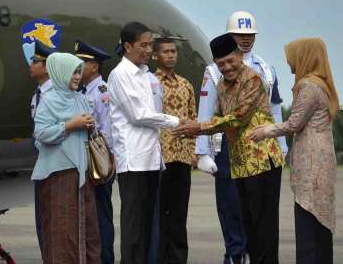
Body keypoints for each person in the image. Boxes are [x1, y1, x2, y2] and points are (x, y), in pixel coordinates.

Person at [175, 33, 285, 264]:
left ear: (239, 55)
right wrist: (190, 125)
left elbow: (237, 118)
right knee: (248, 226)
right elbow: (216, 116)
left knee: (264, 227)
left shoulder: (253, 80)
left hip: (262, 162)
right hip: (240, 165)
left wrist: (199, 128)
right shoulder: (222, 86)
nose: (226, 67)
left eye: (230, 61)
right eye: (220, 64)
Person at [249, 38, 338, 264]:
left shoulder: (309, 85)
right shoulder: (322, 83)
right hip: (321, 157)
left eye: (292, 56)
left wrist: (265, 131)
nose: (289, 62)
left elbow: (294, 124)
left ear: (304, 56)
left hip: (311, 161)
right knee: (320, 224)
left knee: (308, 220)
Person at [107, 22, 181, 264]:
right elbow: (138, 115)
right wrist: (176, 122)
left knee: (148, 227)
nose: (149, 50)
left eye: (150, 44)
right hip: (133, 160)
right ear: (127, 46)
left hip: (150, 158)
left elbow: (152, 112)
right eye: (144, 45)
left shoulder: (146, 75)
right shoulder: (120, 75)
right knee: (133, 229)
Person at [32, 52, 100, 263]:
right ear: (60, 73)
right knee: (62, 234)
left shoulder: (81, 98)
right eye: (73, 72)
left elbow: (91, 133)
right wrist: (71, 125)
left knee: (88, 232)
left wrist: (91, 126)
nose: (77, 76)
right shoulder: (49, 100)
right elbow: (40, 134)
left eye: (79, 71)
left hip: (82, 175)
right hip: (58, 177)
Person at [153, 37, 197, 264]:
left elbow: (194, 118)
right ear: (155, 56)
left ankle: (179, 258)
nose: (171, 55)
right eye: (166, 52)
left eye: (173, 51)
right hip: (160, 157)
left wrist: (194, 153)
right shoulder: (150, 83)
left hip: (182, 157)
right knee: (160, 213)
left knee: (179, 213)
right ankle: (160, 257)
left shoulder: (186, 84)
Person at [75, 40, 115, 264]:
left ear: (94, 67)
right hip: (87, 161)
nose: (78, 67)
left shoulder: (102, 92)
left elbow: (108, 131)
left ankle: (105, 259)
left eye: (82, 62)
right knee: (90, 216)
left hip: (99, 162)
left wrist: (106, 163)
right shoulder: (83, 91)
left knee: (100, 217)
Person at [29, 39, 56, 256]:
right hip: (41, 161)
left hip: (52, 162)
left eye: (35, 61)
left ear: (46, 67)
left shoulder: (53, 96)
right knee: (42, 219)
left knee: (51, 217)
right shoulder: (37, 95)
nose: (31, 64)